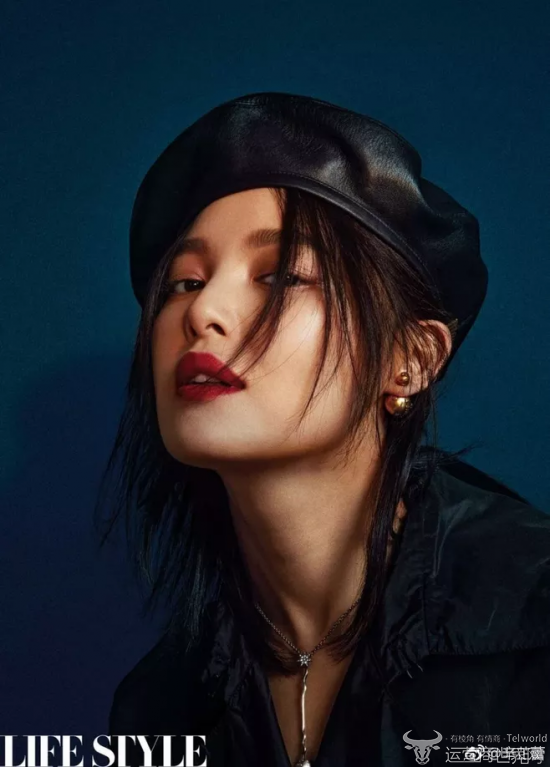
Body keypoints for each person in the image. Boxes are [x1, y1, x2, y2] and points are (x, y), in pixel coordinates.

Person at [97, 93, 550, 767]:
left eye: (281, 275)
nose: (204, 311)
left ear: (408, 359)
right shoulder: (158, 711)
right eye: (184, 283)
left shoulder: (533, 625)